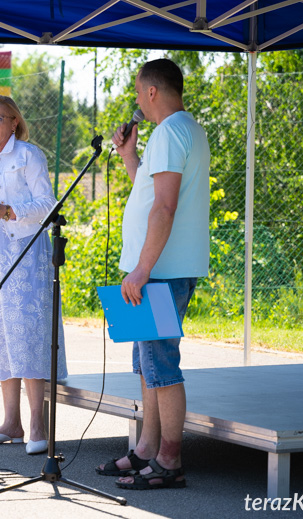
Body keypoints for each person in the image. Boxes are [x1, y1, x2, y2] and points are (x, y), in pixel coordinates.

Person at [95, 59, 210, 489]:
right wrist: (129, 155)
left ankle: (169, 460)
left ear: (151, 93)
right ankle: (146, 449)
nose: (137, 100)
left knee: (161, 364)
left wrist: (142, 269)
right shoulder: (186, 130)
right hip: (163, 267)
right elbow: (150, 191)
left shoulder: (167, 132)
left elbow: (165, 207)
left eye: (138, 92)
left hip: (160, 269)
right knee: (147, 363)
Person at [0, 95, 67, 456]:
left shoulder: (28, 156)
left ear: (15, 122)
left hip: (26, 256)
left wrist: (7, 211)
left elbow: (48, 204)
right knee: (3, 335)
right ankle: (10, 422)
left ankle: (38, 423)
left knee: (28, 335)